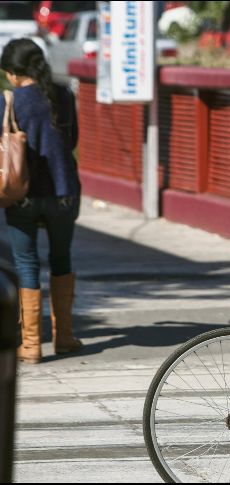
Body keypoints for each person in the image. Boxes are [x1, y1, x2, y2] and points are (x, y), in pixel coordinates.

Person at [1, 38, 82, 364]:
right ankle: (63, 337)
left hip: (22, 195)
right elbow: (73, 140)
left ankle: (32, 345)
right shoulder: (62, 95)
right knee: (61, 259)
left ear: (16, 72)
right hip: (63, 193)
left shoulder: (9, 100)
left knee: (27, 263)